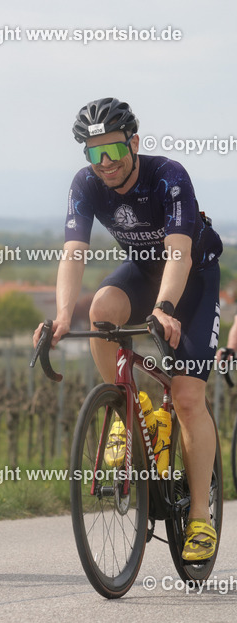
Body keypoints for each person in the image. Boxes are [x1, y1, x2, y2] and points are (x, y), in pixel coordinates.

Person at [34, 97, 222, 562]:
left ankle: (200, 516)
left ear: (134, 142)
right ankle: (127, 407)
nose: (105, 164)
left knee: (186, 396)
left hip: (191, 278)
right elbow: (74, 252)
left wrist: (164, 308)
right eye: (93, 154)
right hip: (141, 271)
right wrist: (61, 316)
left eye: (113, 151)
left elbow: (179, 253)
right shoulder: (86, 185)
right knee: (101, 307)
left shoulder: (169, 176)